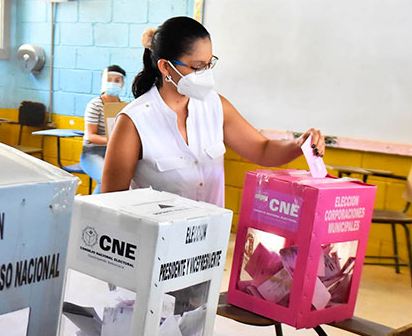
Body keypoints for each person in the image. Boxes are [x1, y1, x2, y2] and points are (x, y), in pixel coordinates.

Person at [101, 17, 325, 206]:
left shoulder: (215, 106)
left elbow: (263, 149)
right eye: (197, 67)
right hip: (157, 249)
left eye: (209, 64)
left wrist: (299, 145)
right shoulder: (134, 121)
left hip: (208, 245)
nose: (205, 73)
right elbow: (111, 202)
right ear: (165, 67)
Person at [80, 65, 126, 194]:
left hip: (114, 153)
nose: (113, 83)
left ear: (123, 84)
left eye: (117, 80)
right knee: (106, 179)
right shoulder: (95, 105)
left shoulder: (124, 106)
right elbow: (91, 136)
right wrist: (112, 141)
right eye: (109, 79)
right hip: (92, 153)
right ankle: (92, 211)